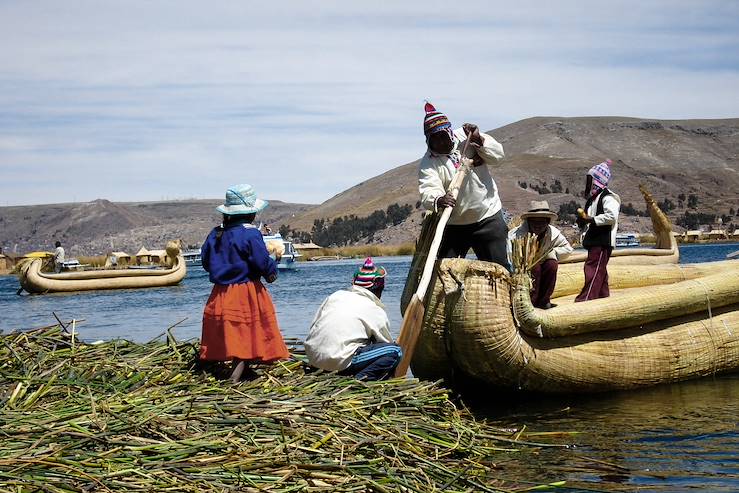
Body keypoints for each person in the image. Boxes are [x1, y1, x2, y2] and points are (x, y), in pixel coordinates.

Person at [200, 184, 289, 382]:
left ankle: (244, 371)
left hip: (219, 293)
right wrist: (272, 270)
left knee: (234, 332)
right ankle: (235, 378)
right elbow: (260, 261)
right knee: (245, 334)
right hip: (245, 293)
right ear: (251, 214)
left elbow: (206, 262)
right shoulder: (250, 234)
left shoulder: (215, 234)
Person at [418, 102, 510, 270]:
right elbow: (428, 189)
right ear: (428, 140)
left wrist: (479, 141)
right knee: (444, 271)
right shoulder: (429, 162)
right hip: (455, 223)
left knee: (499, 269)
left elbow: (498, 156)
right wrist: (439, 200)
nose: (440, 142)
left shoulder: (467, 135)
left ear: (449, 132)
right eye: (434, 139)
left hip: (487, 215)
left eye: (442, 136)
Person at [304, 257, 402, 381]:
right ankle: (360, 380)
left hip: (314, 358)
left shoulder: (335, 296)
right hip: (338, 361)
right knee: (394, 351)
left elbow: (315, 325)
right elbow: (385, 343)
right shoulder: (374, 309)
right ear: (378, 289)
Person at [508, 201, 573, 309]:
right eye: (534, 222)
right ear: (528, 222)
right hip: (523, 271)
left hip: (544, 265)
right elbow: (509, 256)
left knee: (552, 264)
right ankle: (530, 302)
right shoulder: (516, 235)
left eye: (542, 222)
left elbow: (567, 249)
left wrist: (552, 253)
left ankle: (544, 301)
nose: (538, 226)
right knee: (535, 268)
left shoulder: (553, 233)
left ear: (547, 222)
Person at [575, 160, 621, 302]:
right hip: (593, 239)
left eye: (590, 180)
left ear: (597, 181)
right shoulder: (591, 200)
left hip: (603, 240)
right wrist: (582, 222)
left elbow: (611, 217)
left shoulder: (608, 197)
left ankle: (587, 298)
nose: (587, 184)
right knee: (600, 269)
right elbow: (588, 220)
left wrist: (590, 219)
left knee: (593, 268)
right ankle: (603, 297)